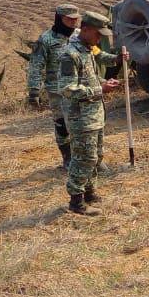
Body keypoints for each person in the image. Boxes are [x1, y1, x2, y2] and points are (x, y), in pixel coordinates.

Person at [58, 12, 125, 215]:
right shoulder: (70, 54)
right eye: (98, 34)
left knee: (96, 156)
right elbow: (67, 88)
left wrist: (105, 83)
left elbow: (91, 78)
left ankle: (89, 192)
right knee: (83, 158)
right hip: (80, 117)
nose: (100, 38)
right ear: (85, 29)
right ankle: (76, 201)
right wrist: (99, 90)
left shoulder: (88, 50)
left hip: (94, 114)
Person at [27, 4, 84, 169]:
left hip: (78, 88)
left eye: (76, 19)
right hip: (57, 91)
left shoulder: (79, 36)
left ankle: (83, 157)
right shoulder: (46, 40)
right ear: (59, 19)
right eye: (69, 19)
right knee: (62, 124)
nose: (73, 23)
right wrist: (34, 91)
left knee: (81, 123)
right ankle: (67, 158)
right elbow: (36, 65)